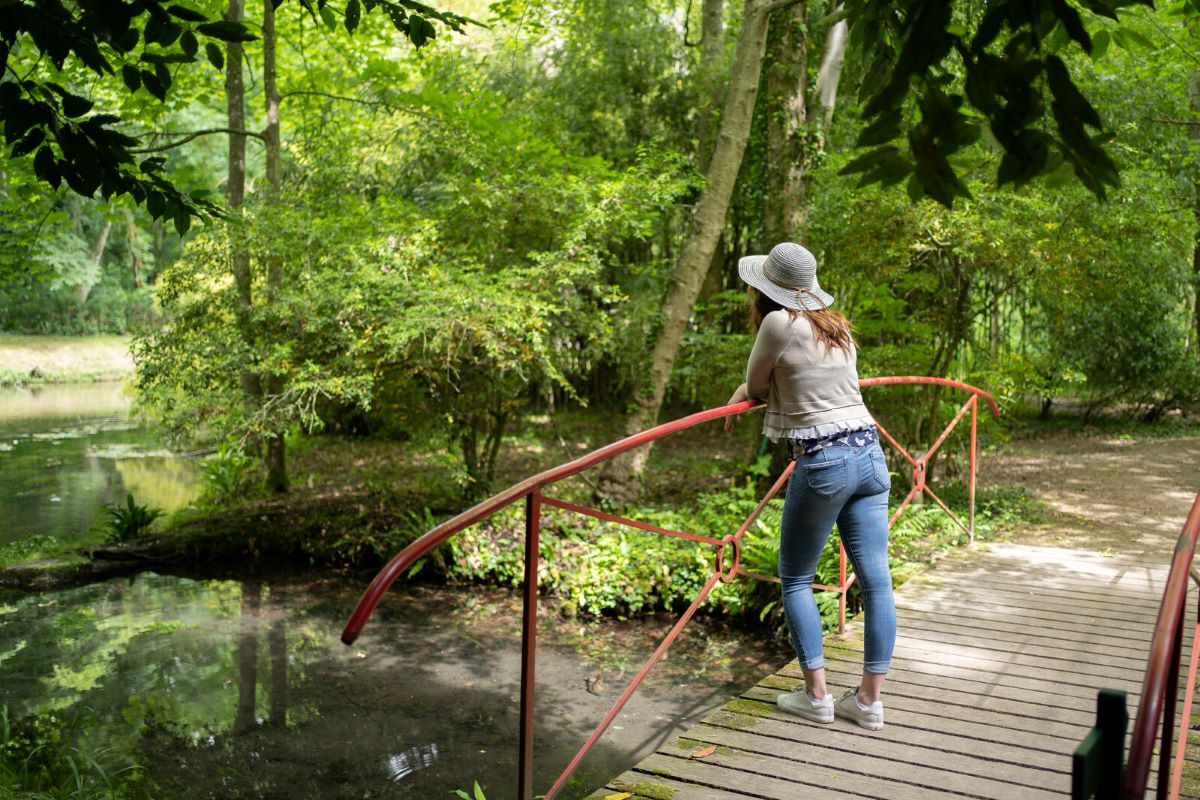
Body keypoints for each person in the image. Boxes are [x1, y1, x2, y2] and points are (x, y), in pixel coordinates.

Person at [725, 242, 894, 731]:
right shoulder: (836, 326)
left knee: (796, 578)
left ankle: (817, 697)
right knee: (877, 582)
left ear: (766, 289)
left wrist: (740, 394)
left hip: (825, 460)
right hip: (870, 452)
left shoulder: (779, 323)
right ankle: (868, 703)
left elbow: (756, 385)